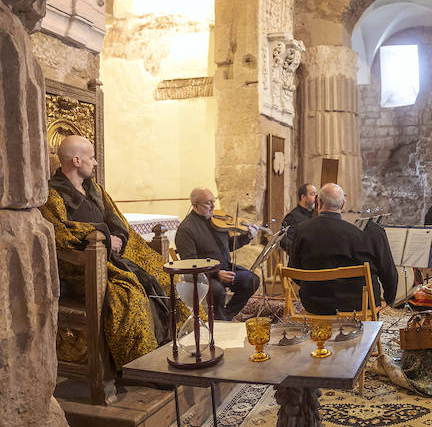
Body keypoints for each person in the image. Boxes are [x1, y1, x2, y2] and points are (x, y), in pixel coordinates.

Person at [40, 135, 174, 367]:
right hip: (80, 269)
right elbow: (59, 231)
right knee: (129, 295)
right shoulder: (52, 194)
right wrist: (102, 235)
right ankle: (139, 366)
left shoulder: (96, 189)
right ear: (76, 160)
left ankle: (168, 348)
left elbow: (117, 220)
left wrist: (118, 238)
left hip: (111, 259)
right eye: (91, 158)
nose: (96, 163)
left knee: (161, 276)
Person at [287, 184, 388, 314]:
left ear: (319, 203)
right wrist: (389, 300)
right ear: (343, 204)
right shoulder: (359, 235)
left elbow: (294, 270)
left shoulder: (301, 231)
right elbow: (384, 271)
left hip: (316, 305)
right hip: (358, 306)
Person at [175, 188, 261, 320]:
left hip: (224, 267)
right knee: (218, 292)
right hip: (204, 275)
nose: (213, 206)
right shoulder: (186, 229)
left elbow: (228, 245)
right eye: (208, 203)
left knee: (252, 280)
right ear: (195, 205)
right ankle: (219, 322)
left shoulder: (216, 220)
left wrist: (247, 236)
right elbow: (191, 263)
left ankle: (225, 316)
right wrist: (216, 273)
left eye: (213, 201)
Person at [279, 183, 316, 256]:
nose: (316, 197)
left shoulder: (316, 214)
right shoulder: (292, 216)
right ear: (303, 197)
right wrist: (299, 252)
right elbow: (283, 240)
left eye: (316, 194)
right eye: (312, 194)